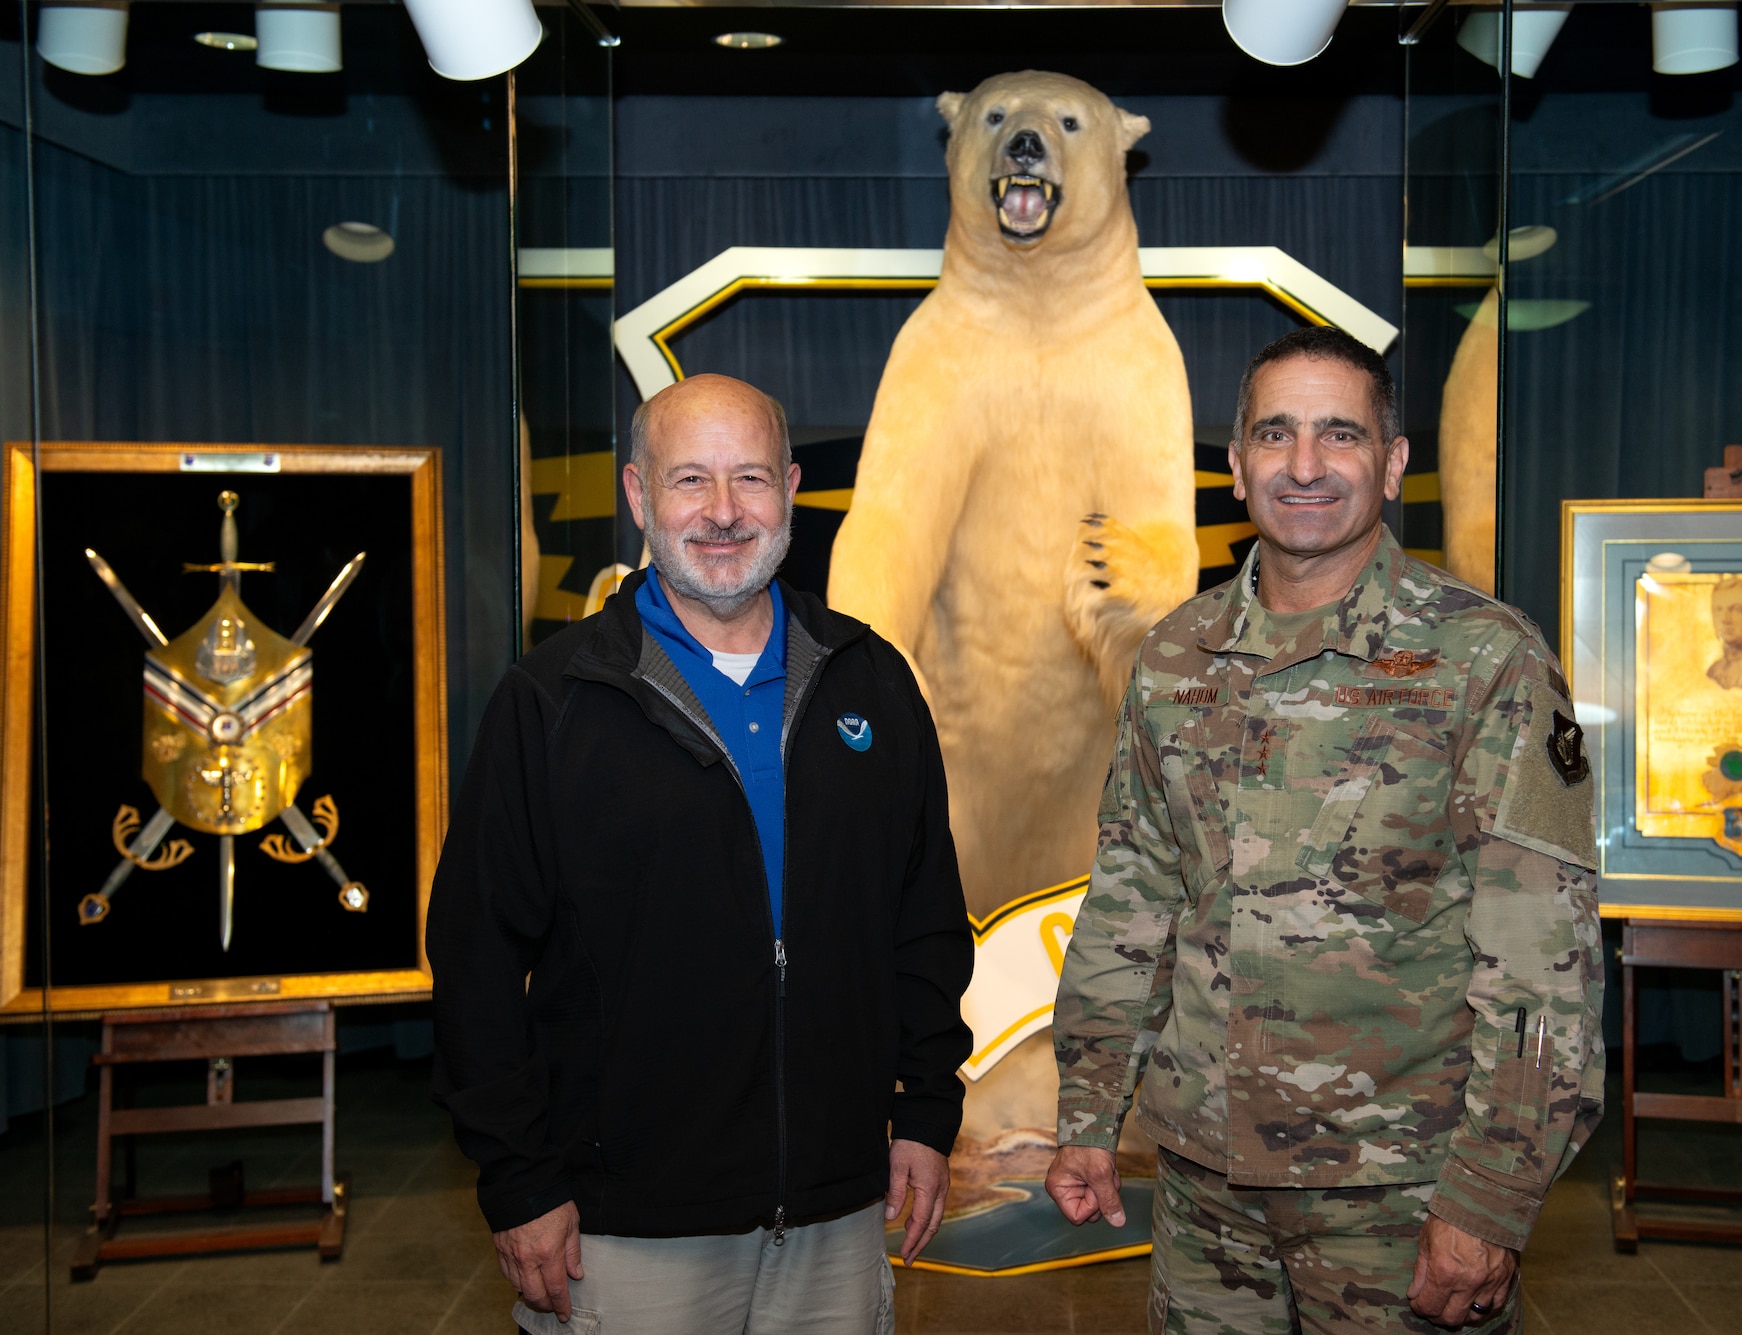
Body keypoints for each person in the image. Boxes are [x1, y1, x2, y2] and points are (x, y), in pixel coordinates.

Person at [1044, 327, 1604, 1334]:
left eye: (1338, 436)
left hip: (1399, 1194)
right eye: (1275, 435)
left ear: (1389, 464)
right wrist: (1087, 1114)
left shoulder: (1483, 659)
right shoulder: (1176, 654)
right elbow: (1134, 894)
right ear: (1235, 463)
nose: (1303, 466)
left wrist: (1488, 1200)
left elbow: (1542, 969)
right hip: (1202, 1191)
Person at [428, 373, 974, 1335]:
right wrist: (519, 1181)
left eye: (751, 479)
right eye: (690, 480)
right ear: (639, 496)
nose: (724, 512)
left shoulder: (873, 683)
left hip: (836, 1222)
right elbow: (475, 963)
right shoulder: (554, 702)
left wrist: (926, 1112)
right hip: (624, 1233)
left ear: (792, 491)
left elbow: (924, 924)